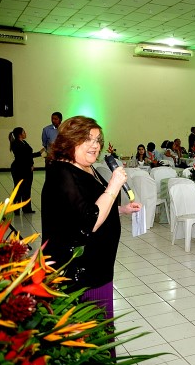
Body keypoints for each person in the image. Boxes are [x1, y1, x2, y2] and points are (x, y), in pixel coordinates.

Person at [42, 116, 141, 324]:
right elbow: (88, 222)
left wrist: (120, 209)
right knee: (89, 335)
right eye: (88, 139)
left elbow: (86, 207)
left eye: (97, 140)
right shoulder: (62, 172)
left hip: (99, 267)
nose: (95, 145)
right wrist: (114, 186)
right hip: (81, 274)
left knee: (102, 330)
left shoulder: (86, 166)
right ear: (70, 140)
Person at [9, 127, 45, 214]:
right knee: (19, 188)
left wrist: (40, 153)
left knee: (26, 188)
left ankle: (26, 208)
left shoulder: (23, 142)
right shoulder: (16, 144)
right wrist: (31, 163)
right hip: (19, 169)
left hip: (25, 168)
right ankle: (16, 209)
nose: (25, 133)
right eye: (24, 132)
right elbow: (24, 157)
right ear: (20, 134)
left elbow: (28, 155)